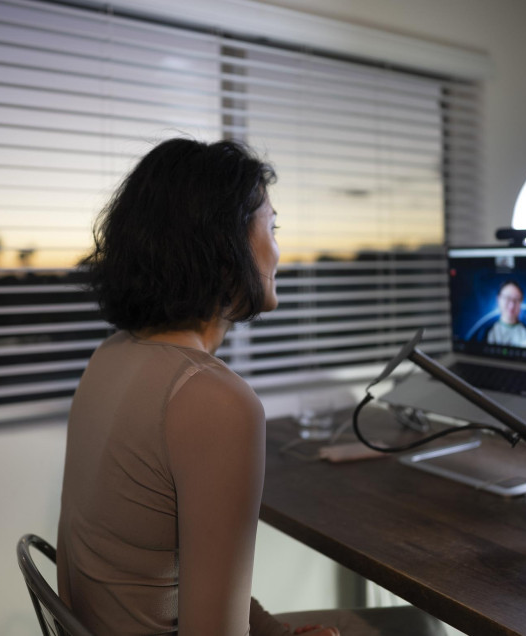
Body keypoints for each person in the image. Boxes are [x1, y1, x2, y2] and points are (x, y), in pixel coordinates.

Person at [55, 138, 336, 636]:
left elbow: (181, 573)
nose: (278, 248)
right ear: (223, 248)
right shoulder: (212, 400)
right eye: (271, 227)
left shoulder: (112, 355)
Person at [485, 280, 526, 349]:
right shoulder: (483, 334)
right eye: (507, 298)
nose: (512, 305)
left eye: (516, 300)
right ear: (498, 299)